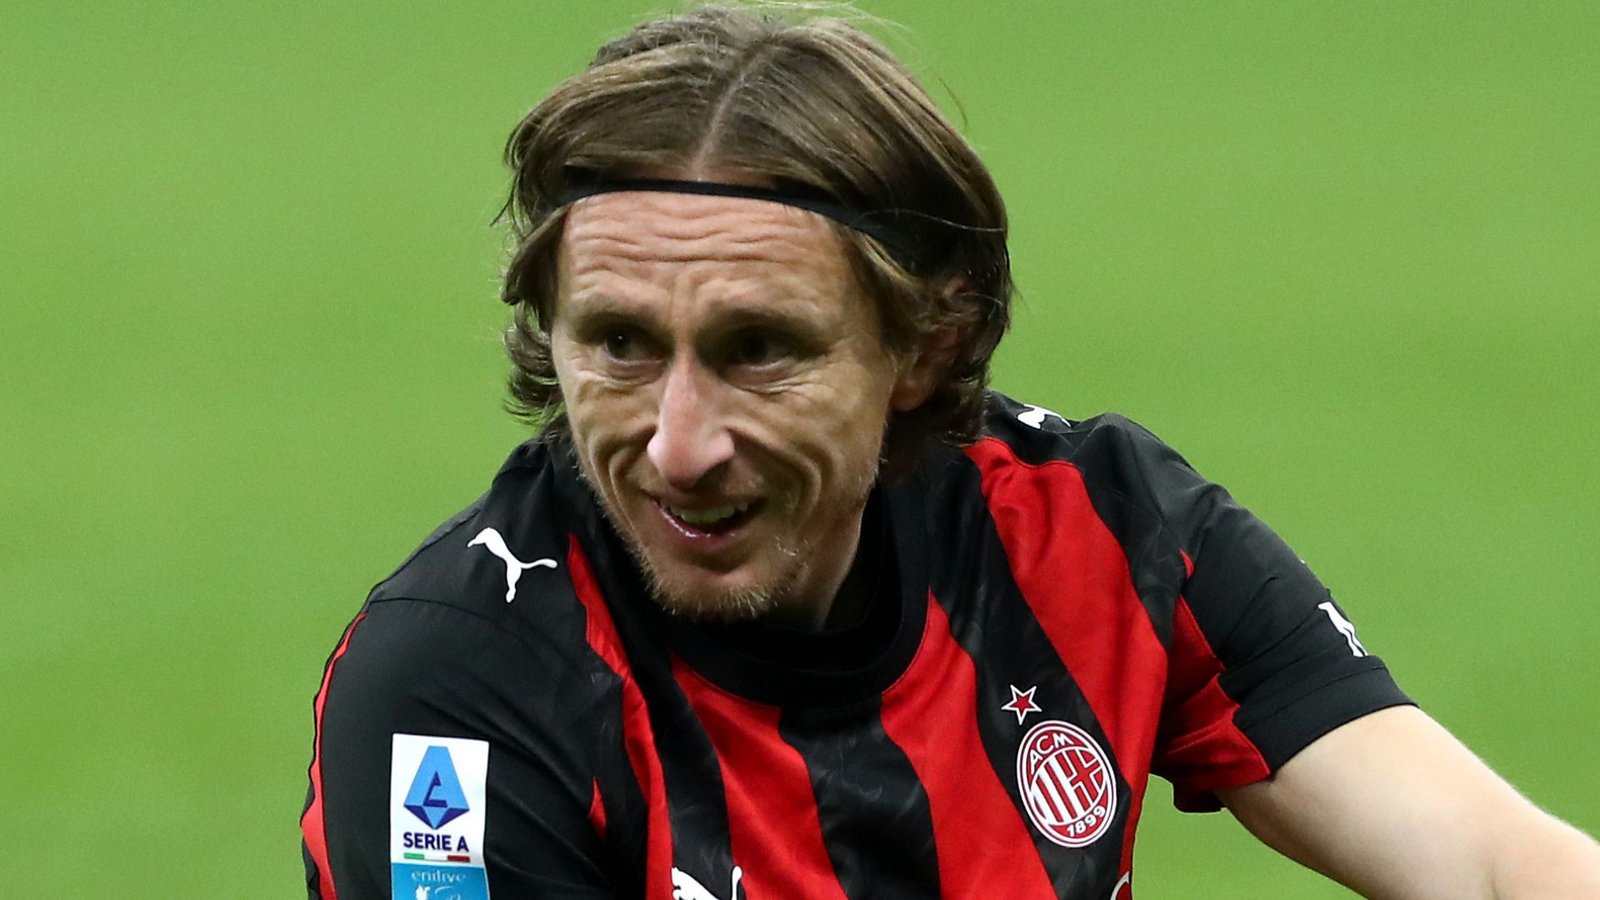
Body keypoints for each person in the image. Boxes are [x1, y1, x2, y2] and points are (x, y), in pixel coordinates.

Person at [300, 5, 1600, 899]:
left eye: (759, 350)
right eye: (620, 344)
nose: (677, 445)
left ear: (927, 341)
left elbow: (1495, 867)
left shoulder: (1091, 527)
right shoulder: (460, 694)